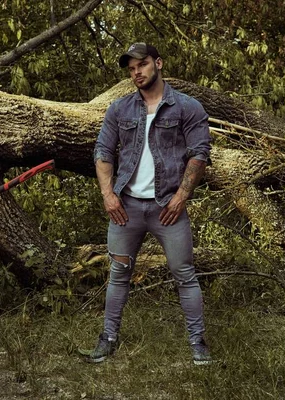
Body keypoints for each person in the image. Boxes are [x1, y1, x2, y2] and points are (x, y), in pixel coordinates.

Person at [90, 43, 213, 365]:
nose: (137, 73)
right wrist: (108, 196)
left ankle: (198, 343)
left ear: (158, 63)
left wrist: (181, 197)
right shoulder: (120, 109)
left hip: (167, 210)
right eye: (131, 69)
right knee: (118, 273)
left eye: (142, 65)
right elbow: (103, 152)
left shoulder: (187, 107)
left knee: (184, 273)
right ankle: (108, 339)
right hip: (125, 209)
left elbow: (199, 153)